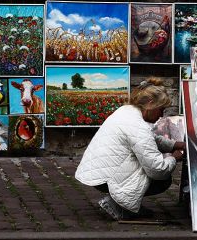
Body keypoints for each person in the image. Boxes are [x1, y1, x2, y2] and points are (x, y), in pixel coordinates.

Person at [75, 80, 183, 221]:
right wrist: (174, 158)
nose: (161, 115)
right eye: (160, 109)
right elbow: (157, 170)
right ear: (150, 104)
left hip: (97, 170)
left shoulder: (126, 111)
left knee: (145, 161)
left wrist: (174, 144)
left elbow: (149, 139)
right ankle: (117, 204)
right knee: (163, 179)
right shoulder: (137, 125)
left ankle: (128, 204)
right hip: (106, 177)